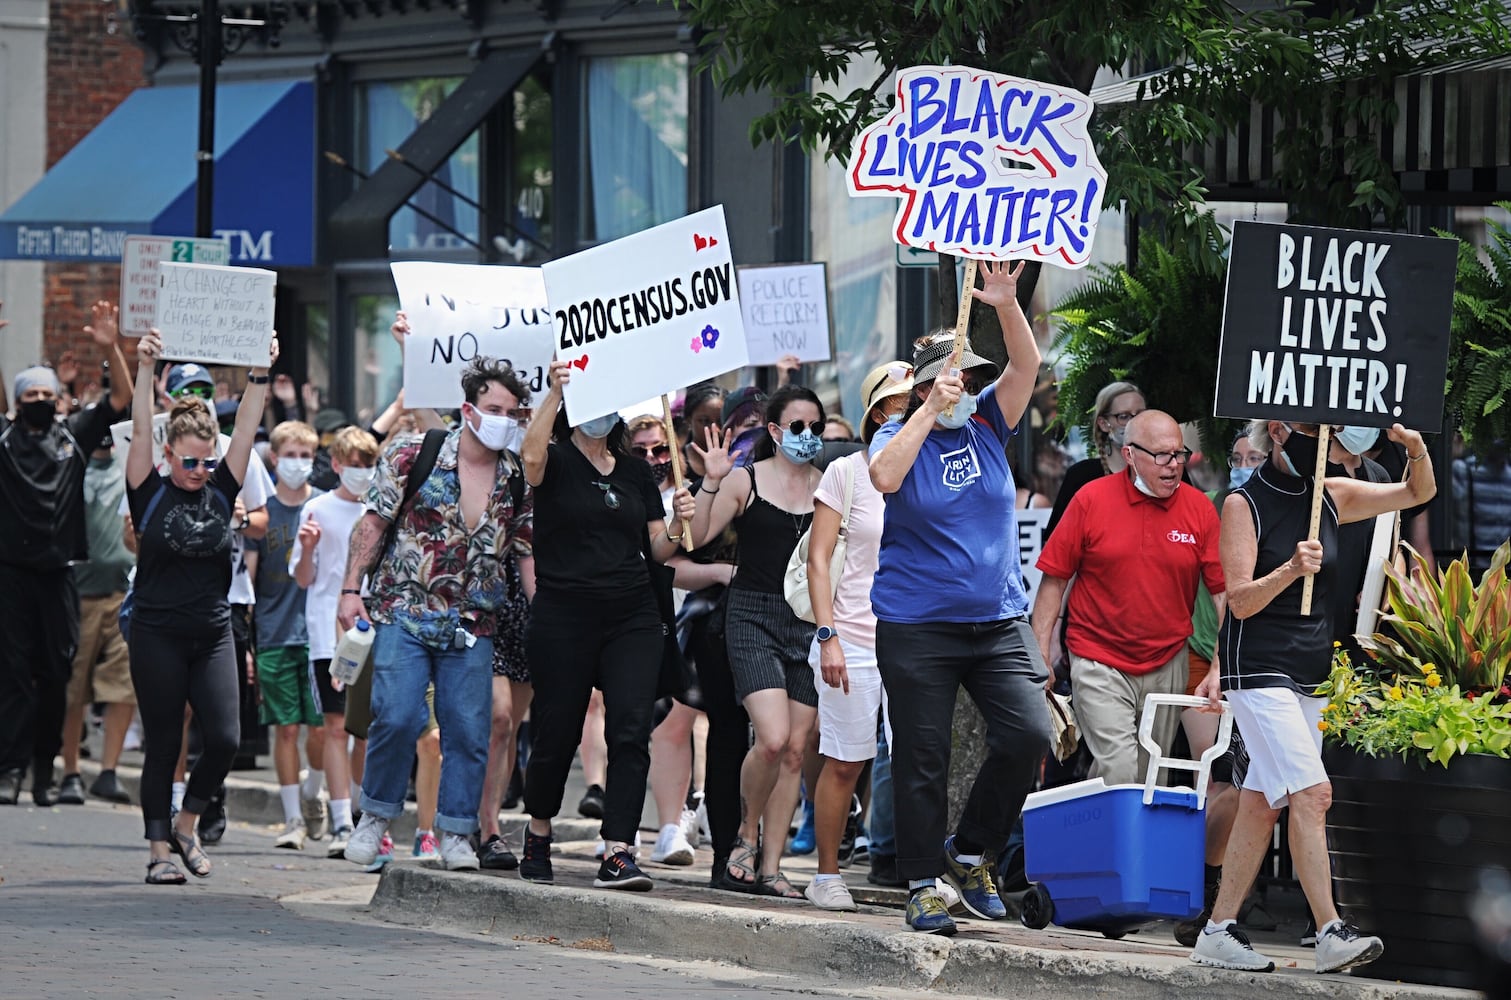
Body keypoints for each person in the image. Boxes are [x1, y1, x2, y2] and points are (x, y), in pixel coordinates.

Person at [1190, 418, 1435, 974]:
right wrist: (1290, 569)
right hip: (1256, 672)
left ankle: (1218, 929)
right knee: (1313, 793)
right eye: (1310, 428)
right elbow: (1241, 601)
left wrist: (1415, 450)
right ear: (1277, 432)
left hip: (1308, 673)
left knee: (1262, 799)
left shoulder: (1332, 495)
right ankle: (1330, 929)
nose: (1323, 437)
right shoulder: (1241, 503)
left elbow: (1417, 493)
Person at [867, 260, 1051, 936]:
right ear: (923, 385)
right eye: (955, 378)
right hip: (917, 627)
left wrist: (1004, 305)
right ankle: (921, 882)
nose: (968, 387)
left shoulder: (988, 426)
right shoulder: (896, 435)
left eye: (971, 378)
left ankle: (971, 852)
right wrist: (925, 411)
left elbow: (1026, 369)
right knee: (922, 756)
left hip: (996, 621)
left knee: (1029, 733)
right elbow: (884, 478)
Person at [338, 356, 535, 873]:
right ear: (468, 409)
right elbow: (373, 524)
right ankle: (375, 817)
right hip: (404, 610)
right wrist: (349, 589)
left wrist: (546, 617)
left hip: (473, 624)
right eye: (494, 408)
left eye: (513, 413)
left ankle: (455, 833)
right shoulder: (413, 454)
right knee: (398, 715)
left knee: (469, 732)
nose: (503, 419)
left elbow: (528, 553)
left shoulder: (516, 478)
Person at [516, 359, 695, 891]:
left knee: (631, 730)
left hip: (632, 614)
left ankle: (618, 850)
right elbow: (528, 458)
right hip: (564, 615)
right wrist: (553, 394)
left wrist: (686, 518)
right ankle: (538, 831)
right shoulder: (553, 458)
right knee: (558, 731)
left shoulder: (636, 469)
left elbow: (659, 549)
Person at [125, 329, 274, 884]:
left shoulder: (221, 486)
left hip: (212, 631)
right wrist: (145, 367)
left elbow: (249, 425)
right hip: (157, 631)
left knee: (227, 739)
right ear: (168, 454)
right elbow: (141, 424)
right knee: (165, 742)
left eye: (205, 462)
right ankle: (159, 852)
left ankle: (187, 825)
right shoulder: (149, 488)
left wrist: (261, 370)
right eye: (188, 461)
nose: (198, 470)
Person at [1031, 410, 1226, 786]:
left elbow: (1221, 595)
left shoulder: (1199, 508)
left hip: (1168, 660)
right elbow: (1054, 580)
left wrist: (1218, 665)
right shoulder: (1091, 499)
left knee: (1150, 773)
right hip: (1097, 657)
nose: (1173, 466)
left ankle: (1098, 834)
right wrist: (1042, 651)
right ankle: (1115, 840)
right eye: (1161, 456)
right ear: (1129, 455)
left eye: (1179, 455)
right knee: (1121, 770)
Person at [689, 385, 826, 899]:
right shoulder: (745, 479)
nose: (807, 436)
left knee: (795, 751)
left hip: (808, 623)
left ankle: (771, 867)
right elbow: (698, 537)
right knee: (770, 739)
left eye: (815, 427)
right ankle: (746, 834)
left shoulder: (828, 486)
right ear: (773, 431)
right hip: (752, 617)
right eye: (797, 427)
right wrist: (709, 483)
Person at [0, 299, 131, 806]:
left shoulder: (74, 437)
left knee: (56, 675)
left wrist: (110, 345)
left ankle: (42, 769)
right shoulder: (7, 438)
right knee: (12, 674)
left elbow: (120, 397)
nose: (37, 399)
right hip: (10, 573)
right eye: (28, 393)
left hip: (60, 576)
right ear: (16, 401)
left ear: (59, 401)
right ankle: (8, 769)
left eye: (44, 393)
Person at [801, 362, 912, 912]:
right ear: (875, 413)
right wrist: (828, 636)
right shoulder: (846, 471)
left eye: (914, 399)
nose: (909, 407)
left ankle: (921, 876)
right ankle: (826, 874)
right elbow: (818, 559)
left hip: (915, 639)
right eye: (897, 401)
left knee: (916, 759)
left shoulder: (931, 468)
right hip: (852, 635)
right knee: (846, 760)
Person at [290, 425, 381, 858]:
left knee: (362, 730)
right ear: (338, 465)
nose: (362, 473)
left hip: (368, 633)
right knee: (333, 726)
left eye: (369, 465)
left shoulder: (378, 511)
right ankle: (342, 819)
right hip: (326, 633)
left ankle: (362, 811)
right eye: (355, 465)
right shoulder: (318, 509)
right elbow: (303, 578)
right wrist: (307, 548)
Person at [248, 420, 327, 850]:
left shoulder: (326, 506)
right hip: (275, 633)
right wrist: (249, 642)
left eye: (307, 455)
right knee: (287, 730)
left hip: (318, 636)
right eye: (291, 455)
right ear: (274, 458)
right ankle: (293, 818)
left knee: (320, 729)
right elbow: (251, 581)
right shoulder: (264, 514)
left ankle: (313, 791)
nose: (299, 464)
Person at [57, 422, 136, 806]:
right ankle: (70, 770)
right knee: (75, 688)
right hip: (78, 594)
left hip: (124, 594)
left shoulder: (129, 468)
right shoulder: (72, 468)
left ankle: (109, 771)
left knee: (124, 687)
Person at [1044, 381, 1146, 537]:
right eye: (1123, 417)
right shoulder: (1081, 476)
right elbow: (1056, 543)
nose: (1133, 423)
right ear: (1104, 424)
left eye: (1141, 415)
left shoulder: (1166, 468)